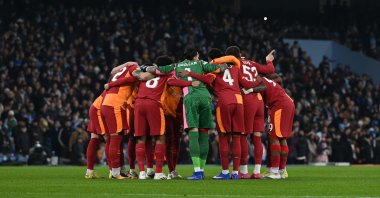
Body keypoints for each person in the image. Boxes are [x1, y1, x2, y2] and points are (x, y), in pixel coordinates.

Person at [144, 48, 227, 180]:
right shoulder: (201, 63)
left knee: (193, 133)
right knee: (204, 133)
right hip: (206, 98)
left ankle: (197, 172)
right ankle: (202, 169)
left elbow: (156, 70)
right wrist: (227, 61)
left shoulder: (177, 66)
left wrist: (145, 68)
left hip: (191, 98)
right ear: (195, 56)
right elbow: (219, 69)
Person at [178, 48, 261, 179]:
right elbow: (246, 83)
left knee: (223, 137)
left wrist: (191, 74)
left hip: (224, 102)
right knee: (237, 137)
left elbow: (207, 79)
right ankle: (235, 173)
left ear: (212, 59)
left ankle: (225, 172)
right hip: (238, 101)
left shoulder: (214, 68)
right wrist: (258, 84)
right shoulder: (234, 68)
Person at [225, 46, 275, 179]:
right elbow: (270, 70)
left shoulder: (236, 65)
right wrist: (269, 60)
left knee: (243, 136)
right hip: (259, 101)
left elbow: (242, 82)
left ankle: (243, 170)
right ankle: (257, 172)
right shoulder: (251, 62)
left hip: (247, 101)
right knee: (257, 137)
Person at [245, 73, 295, 179]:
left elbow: (261, 87)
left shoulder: (259, 79)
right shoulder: (273, 85)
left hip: (279, 106)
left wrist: (249, 90)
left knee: (274, 137)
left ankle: (275, 171)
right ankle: (281, 170)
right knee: (281, 138)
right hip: (288, 104)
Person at [100, 62, 139, 179]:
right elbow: (139, 76)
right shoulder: (134, 69)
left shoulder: (122, 71)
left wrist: (126, 63)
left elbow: (113, 71)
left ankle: (115, 170)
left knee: (112, 139)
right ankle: (115, 173)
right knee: (115, 138)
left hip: (107, 103)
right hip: (115, 105)